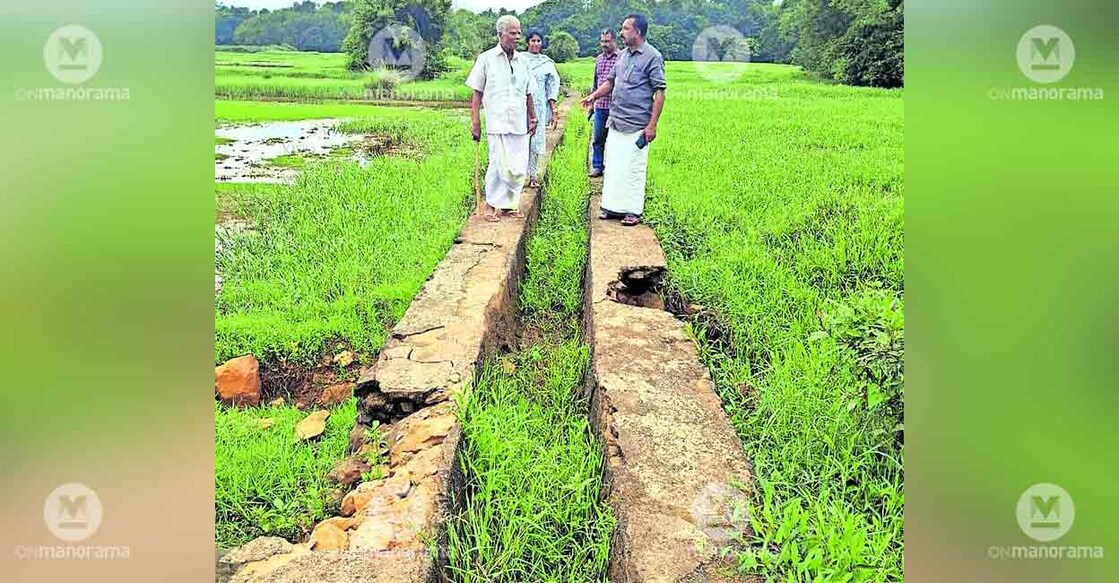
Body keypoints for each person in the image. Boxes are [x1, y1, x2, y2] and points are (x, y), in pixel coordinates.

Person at [581, 14, 666, 227]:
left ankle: (632, 211)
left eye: (626, 29)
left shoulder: (652, 57)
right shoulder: (622, 56)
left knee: (634, 168)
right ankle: (612, 206)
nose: (621, 33)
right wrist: (593, 96)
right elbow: (610, 81)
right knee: (616, 166)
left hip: (637, 124)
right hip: (616, 119)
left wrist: (652, 125)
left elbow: (659, 93)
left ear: (637, 31)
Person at [466, 15, 538, 222]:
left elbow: (528, 92)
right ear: (500, 34)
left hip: (518, 123)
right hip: (497, 122)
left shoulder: (523, 61)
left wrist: (533, 117)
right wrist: (475, 121)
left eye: (519, 32)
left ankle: (508, 205)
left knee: (517, 166)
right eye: (513, 33)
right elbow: (476, 93)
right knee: (498, 165)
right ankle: (490, 205)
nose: (518, 37)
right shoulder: (486, 59)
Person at [524, 29, 560, 189]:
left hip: (538, 107)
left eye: (538, 41)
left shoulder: (547, 63)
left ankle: (532, 176)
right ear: (527, 42)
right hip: (520, 107)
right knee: (519, 141)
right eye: (533, 40)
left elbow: (551, 87)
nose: (536, 43)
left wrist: (554, 110)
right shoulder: (519, 59)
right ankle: (517, 177)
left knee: (535, 142)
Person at [589, 28, 620, 178]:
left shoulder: (622, 57)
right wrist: (591, 101)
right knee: (598, 139)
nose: (604, 44)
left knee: (615, 141)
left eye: (607, 41)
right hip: (600, 106)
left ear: (614, 41)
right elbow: (595, 81)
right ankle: (597, 166)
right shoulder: (599, 59)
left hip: (616, 107)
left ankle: (614, 168)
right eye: (602, 41)